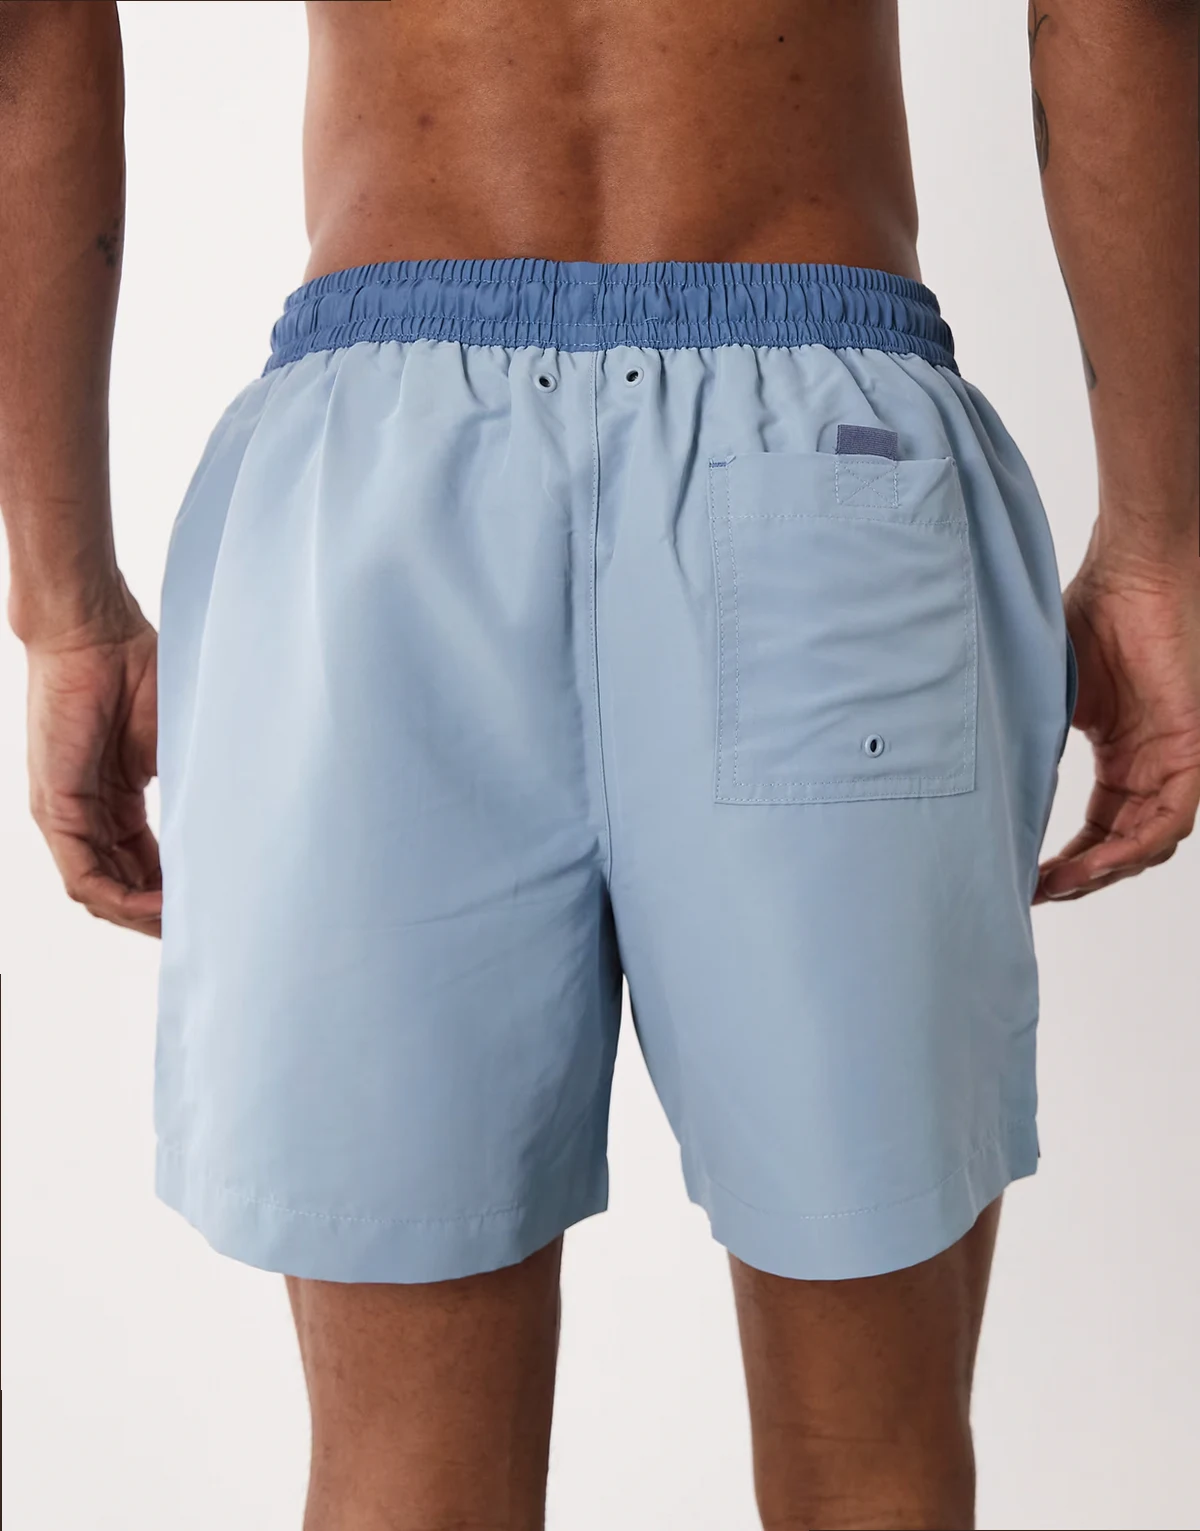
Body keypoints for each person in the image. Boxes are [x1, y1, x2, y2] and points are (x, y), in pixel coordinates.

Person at [2, 2, 1197, 1526]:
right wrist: (1160, 546)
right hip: (825, 461)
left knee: (403, 1488)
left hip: (383, 478)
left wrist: (65, 607)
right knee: (875, 1477)